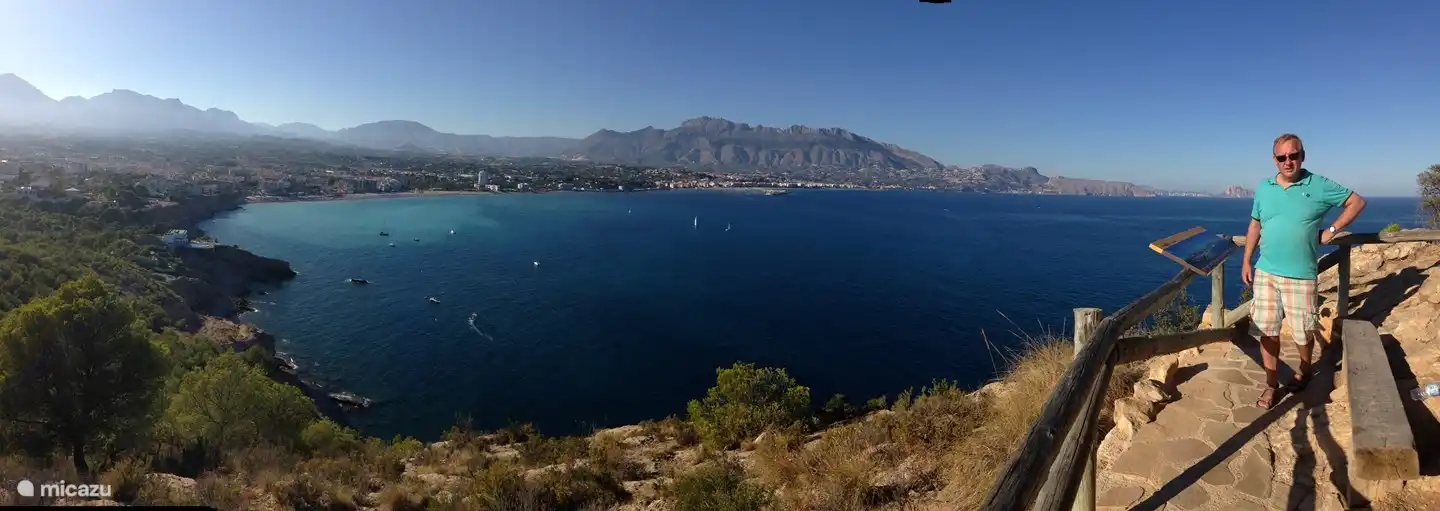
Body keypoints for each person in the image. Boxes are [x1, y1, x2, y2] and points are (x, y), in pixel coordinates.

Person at [1242, 133, 1366, 410]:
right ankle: (1271, 384)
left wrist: (1332, 231)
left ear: (1302, 155)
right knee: (1267, 331)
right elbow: (1254, 225)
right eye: (1281, 157)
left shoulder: (1318, 185)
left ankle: (1306, 369)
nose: (1288, 161)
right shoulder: (1264, 187)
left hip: (1301, 274)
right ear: (1274, 159)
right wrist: (1247, 260)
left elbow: (1356, 202)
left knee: (1303, 333)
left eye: (1293, 155)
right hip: (1265, 272)